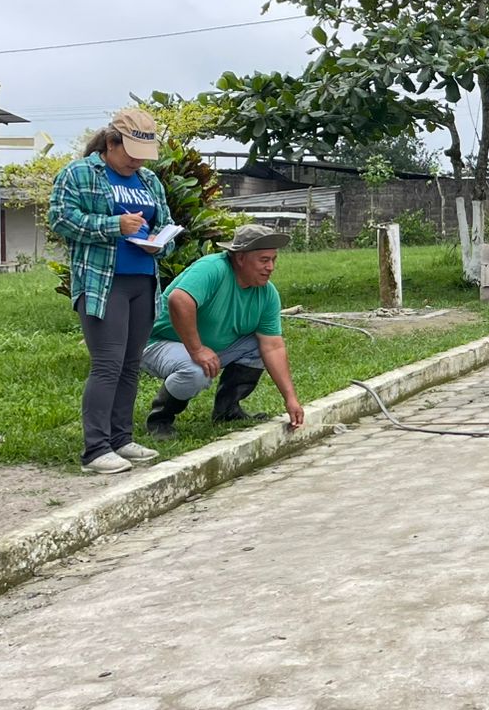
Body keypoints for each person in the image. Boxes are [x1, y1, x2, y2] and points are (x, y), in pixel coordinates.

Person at [48, 109, 175, 475]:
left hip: (143, 280)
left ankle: (121, 438)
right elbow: (61, 219)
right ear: (110, 143)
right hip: (103, 282)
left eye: (143, 155)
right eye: (130, 153)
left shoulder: (148, 180)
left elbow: (165, 223)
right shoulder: (79, 173)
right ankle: (96, 449)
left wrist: (160, 242)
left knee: (131, 365)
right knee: (108, 364)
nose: (137, 161)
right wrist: (113, 225)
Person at [141, 224, 306, 437]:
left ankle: (227, 411)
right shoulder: (212, 268)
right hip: (156, 342)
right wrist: (197, 350)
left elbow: (273, 347)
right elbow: (179, 300)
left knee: (258, 345)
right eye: (264, 260)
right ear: (240, 258)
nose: (270, 267)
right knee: (196, 371)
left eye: (274, 260)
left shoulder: (267, 294)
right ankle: (160, 419)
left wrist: (290, 399)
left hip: (207, 349)